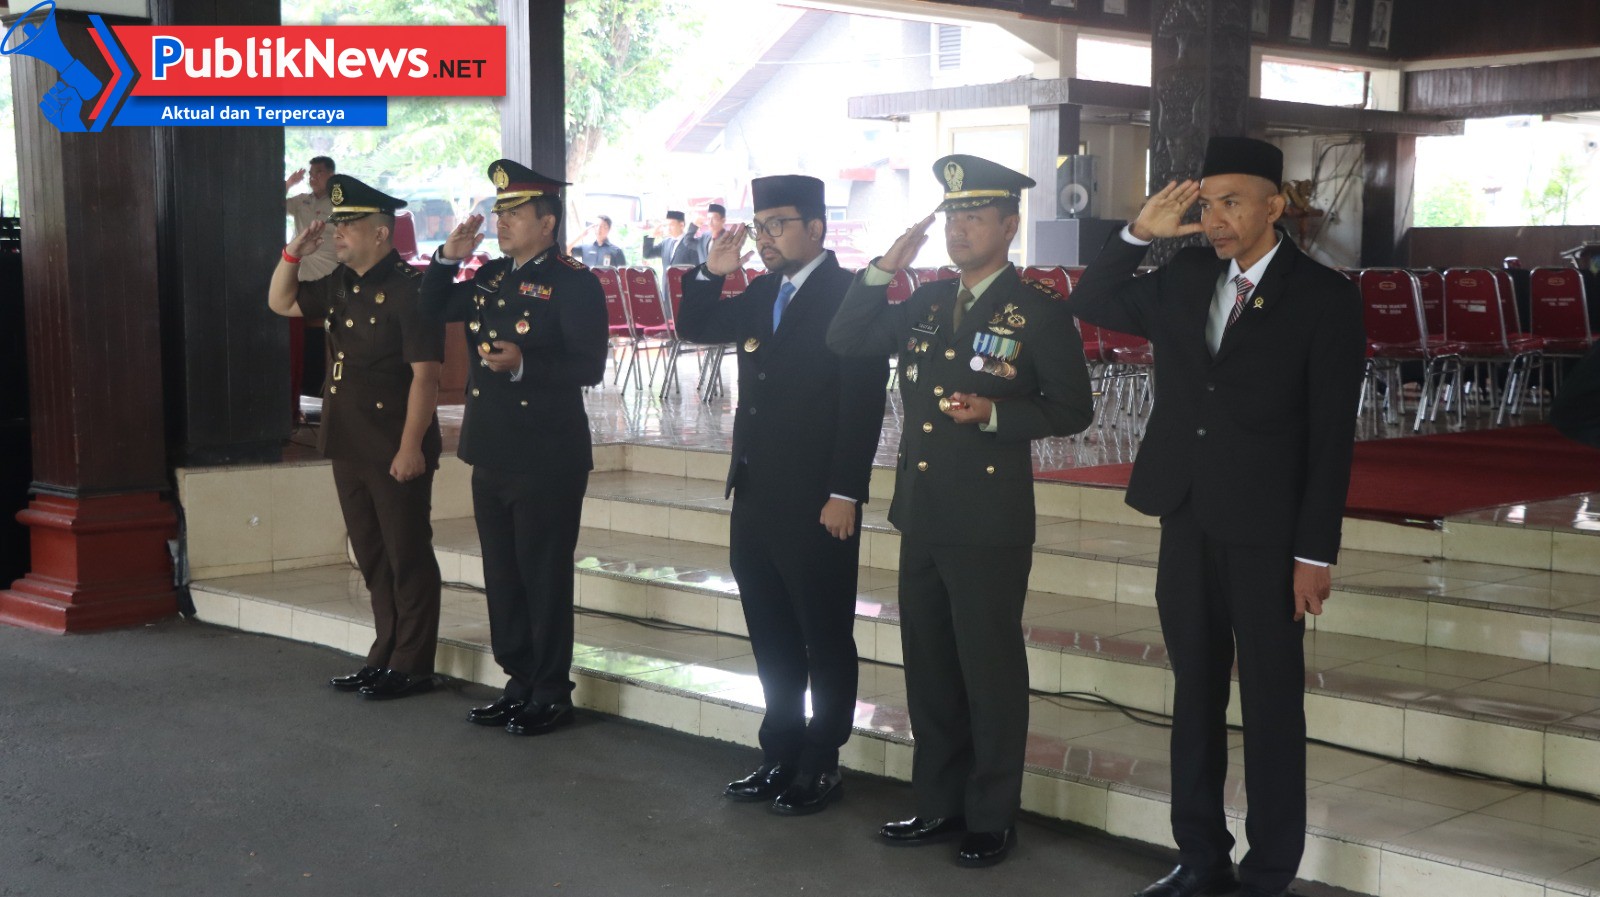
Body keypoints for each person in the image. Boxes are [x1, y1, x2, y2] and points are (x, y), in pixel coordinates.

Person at [1066, 136, 1365, 897]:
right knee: (1194, 693)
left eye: (1233, 201)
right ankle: (1200, 854)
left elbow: (1332, 437)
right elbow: (1090, 298)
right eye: (1207, 203)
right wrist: (1138, 233)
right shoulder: (1185, 274)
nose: (1217, 216)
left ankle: (1268, 871)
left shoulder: (1325, 297)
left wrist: (1315, 553)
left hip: (1269, 530)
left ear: (1276, 205)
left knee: (1270, 704)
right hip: (1187, 510)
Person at [827, 155, 1094, 867]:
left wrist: (998, 415)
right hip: (922, 512)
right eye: (952, 215)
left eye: (976, 215)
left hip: (988, 520)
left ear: (1010, 224)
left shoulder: (1037, 311)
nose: (960, 228)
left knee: (989, 672)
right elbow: (846, 338)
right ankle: (937, 802)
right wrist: (886, 265)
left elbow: (1073, 407)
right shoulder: (924, 301)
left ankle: (991, 813)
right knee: (932, 671)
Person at [676, 175, 888, 816]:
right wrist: (711, 273)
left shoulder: (851, 295)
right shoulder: (763, 290)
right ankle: (780, 751)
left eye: (778, 225)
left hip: (819, 498)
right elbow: (694, 326)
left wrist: (845, 490)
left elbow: (862, 401)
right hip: (758, 492)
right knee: (769, 631)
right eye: (759, 225)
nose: (764, 238)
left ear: (816, 229)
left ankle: (822, 759)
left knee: (823, 635)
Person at [419, 159, 609, 737]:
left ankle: (551, 691)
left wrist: (527, 362)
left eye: (514, 213)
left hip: (546, 454)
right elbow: (430, 307)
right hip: (492, 448)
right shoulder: (491, 276)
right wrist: (447, 258)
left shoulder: (575, 281)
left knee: (542, 575)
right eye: (499, 212)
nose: (501, 222)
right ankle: (519, 681)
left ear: (547, 223)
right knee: (502, 574)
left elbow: (590, 365)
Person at [267, 174, 445, 701]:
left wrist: (412, 446)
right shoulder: (344, 283)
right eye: (338, 222)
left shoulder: (412, 291)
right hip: (347, 438)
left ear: (382, 234)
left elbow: (426, 376)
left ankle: (413, 664)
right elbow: (281, 303)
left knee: (406, 552)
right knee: (371, 553)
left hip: (393, 441)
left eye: (349, 224)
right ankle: (384, 653)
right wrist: (291, 254)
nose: (338, 231)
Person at [285, 156, 340, 281]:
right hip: (297, 273)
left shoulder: (340, 205)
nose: (312, 177)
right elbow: (272, 206)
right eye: (310, 173)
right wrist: (289, 183)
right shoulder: (301, 200)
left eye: (319, 172)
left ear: (331, 176)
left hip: (328, 273)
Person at [642, 210, 701, 277]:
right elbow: (647, 254)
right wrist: (652, 236)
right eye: (666, 225)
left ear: (681, 225)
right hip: (667, 286)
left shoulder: (691, 244)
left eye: (671, 225)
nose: (668, 228)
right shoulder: (665, 243)